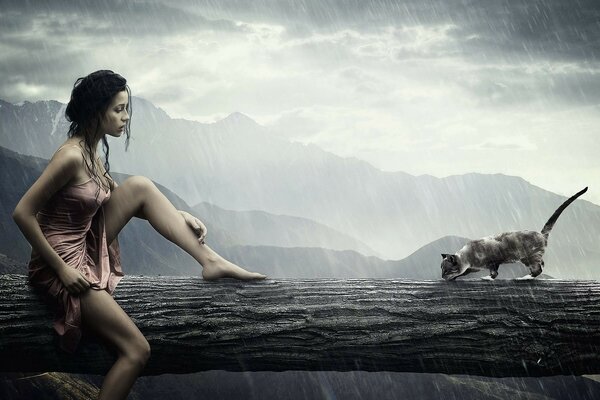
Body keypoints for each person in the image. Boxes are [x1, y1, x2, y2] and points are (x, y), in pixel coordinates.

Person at [12, 70, 266, 400]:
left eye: (126, 108)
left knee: (140, 185)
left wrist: (180, 216)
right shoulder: (71, 156)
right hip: (61, 262)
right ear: (96, 110)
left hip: (86, 240)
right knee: (136, 351)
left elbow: (127, 199)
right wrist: (61, 269)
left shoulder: (92, 151)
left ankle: (211, 260)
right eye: (119, 109)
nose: (126, 117)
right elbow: (22, 213)